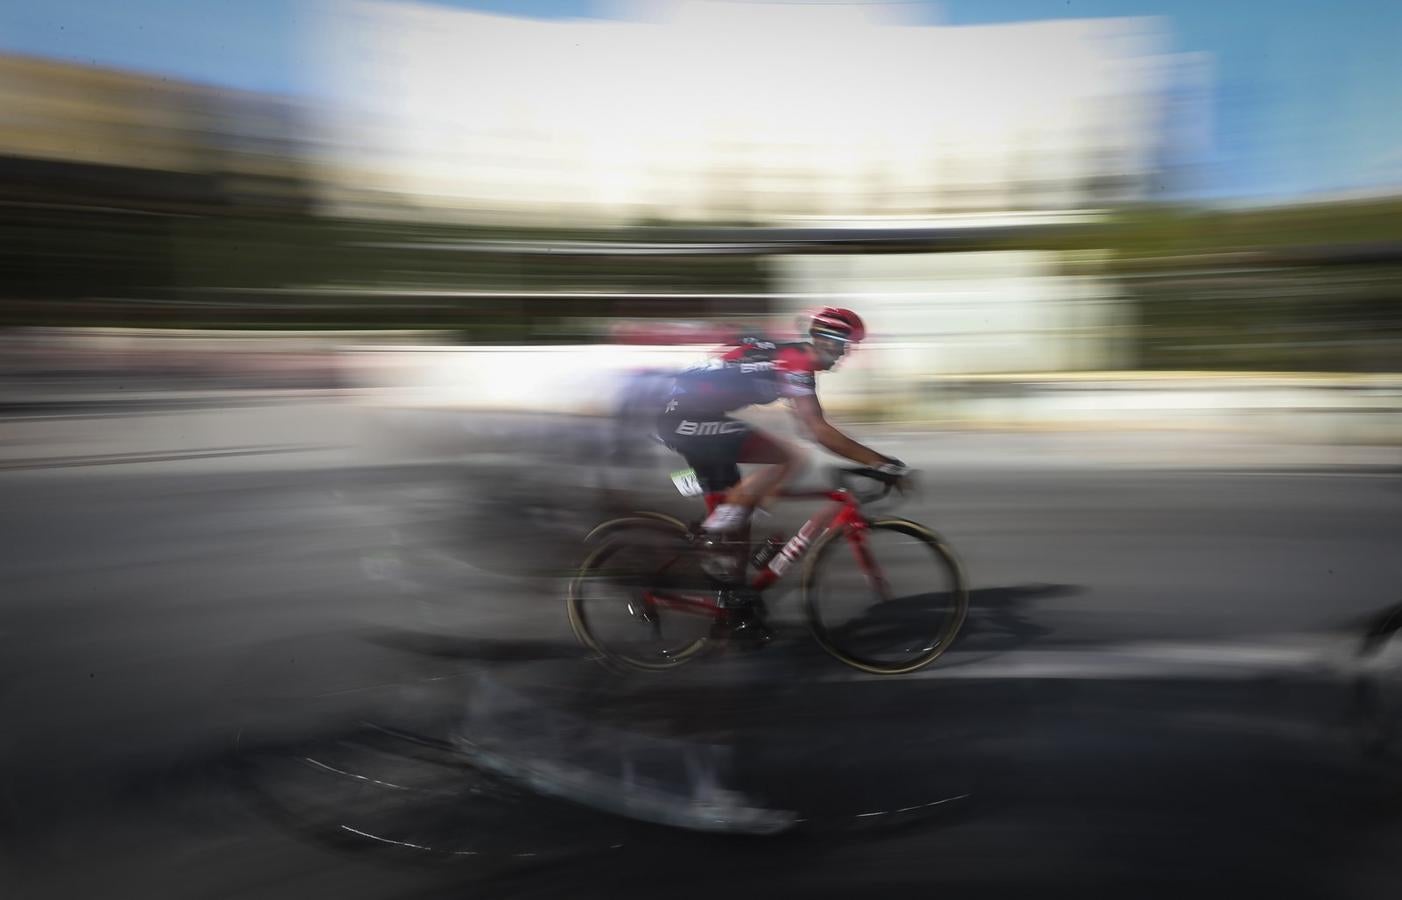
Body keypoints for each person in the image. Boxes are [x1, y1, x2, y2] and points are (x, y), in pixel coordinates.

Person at [656, 307, 910, 585]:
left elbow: (813, 426)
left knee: (741, 525)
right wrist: (879, 462)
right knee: (790, 458)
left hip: (690, 415)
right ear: (826, 339)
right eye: (844, 345)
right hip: (682, 416)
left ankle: (734, 608)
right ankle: (712, 535)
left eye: (850, 348)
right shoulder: (796, 361)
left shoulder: (794, 361)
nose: (844, 354)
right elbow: (818, 431)